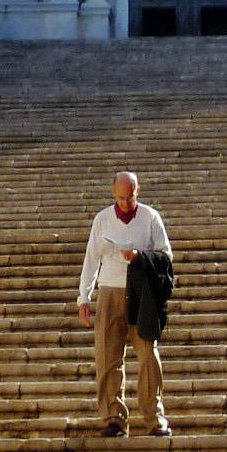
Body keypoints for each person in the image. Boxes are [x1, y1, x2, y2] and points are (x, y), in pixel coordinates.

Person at [78, 170, 171, 436]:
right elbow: (91, 260)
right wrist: (84, 298)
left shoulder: (151, 218)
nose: (125, 204)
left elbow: (166, 255)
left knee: (148, 356)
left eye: (129, 198)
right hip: (110, 290)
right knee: (108, 357)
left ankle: (154, 416)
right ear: (113, 194)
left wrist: (140, 257)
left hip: (141, 292)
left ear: (137, 192)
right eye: (120, 198)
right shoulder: (102, 220)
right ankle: (113, 417)